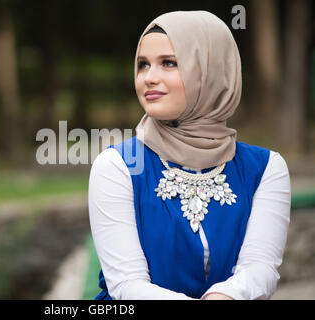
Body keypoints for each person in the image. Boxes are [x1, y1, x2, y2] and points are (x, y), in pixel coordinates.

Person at [88, 11, 291, 300]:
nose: (149, 77)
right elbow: (126, 285)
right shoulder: (117, 166)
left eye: (168, 63)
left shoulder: (265, 169)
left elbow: (261, 269)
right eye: (143, 65)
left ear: (211, 71)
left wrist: (225, 296)